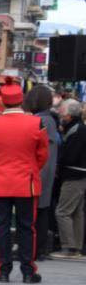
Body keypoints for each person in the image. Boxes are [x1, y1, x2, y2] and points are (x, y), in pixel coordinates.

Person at [0, 79, 49, 283]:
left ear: (3, 101)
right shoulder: (37, 122)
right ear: (21, 101)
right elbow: (42, 154)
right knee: (27, 227)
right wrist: (31, 168)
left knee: (0, 226)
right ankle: (28, 271)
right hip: (26, 182)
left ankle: (3, 270)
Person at [25, 85, 60, 258]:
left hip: (40, 173)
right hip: (45, 172)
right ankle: (37, 248)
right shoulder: (48, 119)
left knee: (38, 212)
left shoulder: (43, 121)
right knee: (41, 211)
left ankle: (36, 248)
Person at [55, 99, 85, 259]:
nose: (60, 114)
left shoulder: (76, 131)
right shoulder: (78, 128)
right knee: (77, 212)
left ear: (69, 114)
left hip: (73, 175)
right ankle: (77, 247)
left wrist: (59, 162)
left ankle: (68, 247)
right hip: (81, 175)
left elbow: (70, 156)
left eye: (62, 112)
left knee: (63, 211)